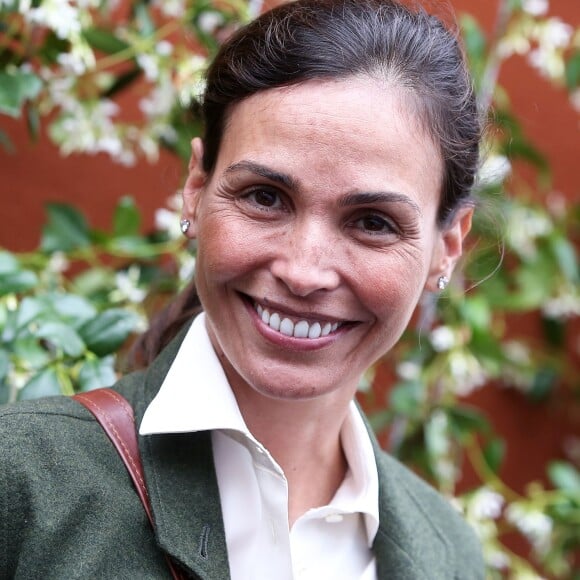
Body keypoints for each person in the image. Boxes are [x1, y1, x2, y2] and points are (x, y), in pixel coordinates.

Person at [0, 0, 485, 578]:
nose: (304, 272)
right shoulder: (22, 482)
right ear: (196, 189)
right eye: (264, 197)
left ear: (447, 245)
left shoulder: (448, 553)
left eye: (373, 222)